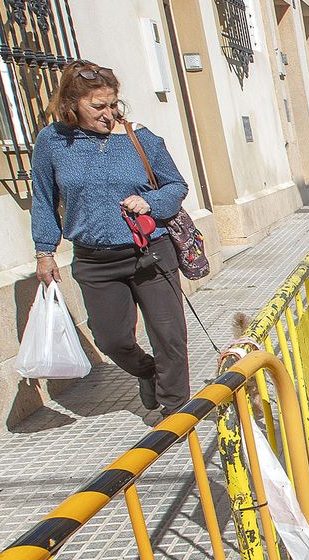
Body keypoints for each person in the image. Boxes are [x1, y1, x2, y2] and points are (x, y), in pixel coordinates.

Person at [30, 61, 192, 420]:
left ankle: (176, 409)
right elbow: (43, 197)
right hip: (94, 259)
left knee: (169, 336)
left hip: (150, 251)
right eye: (98, 106)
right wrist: (45, 252)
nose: (109, 114)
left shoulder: (139, 137)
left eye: (113, 104)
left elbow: (176, 185)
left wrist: (150, 201)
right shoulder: (52, 142)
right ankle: (147, 372)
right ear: (72, 104)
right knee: (111, 340)